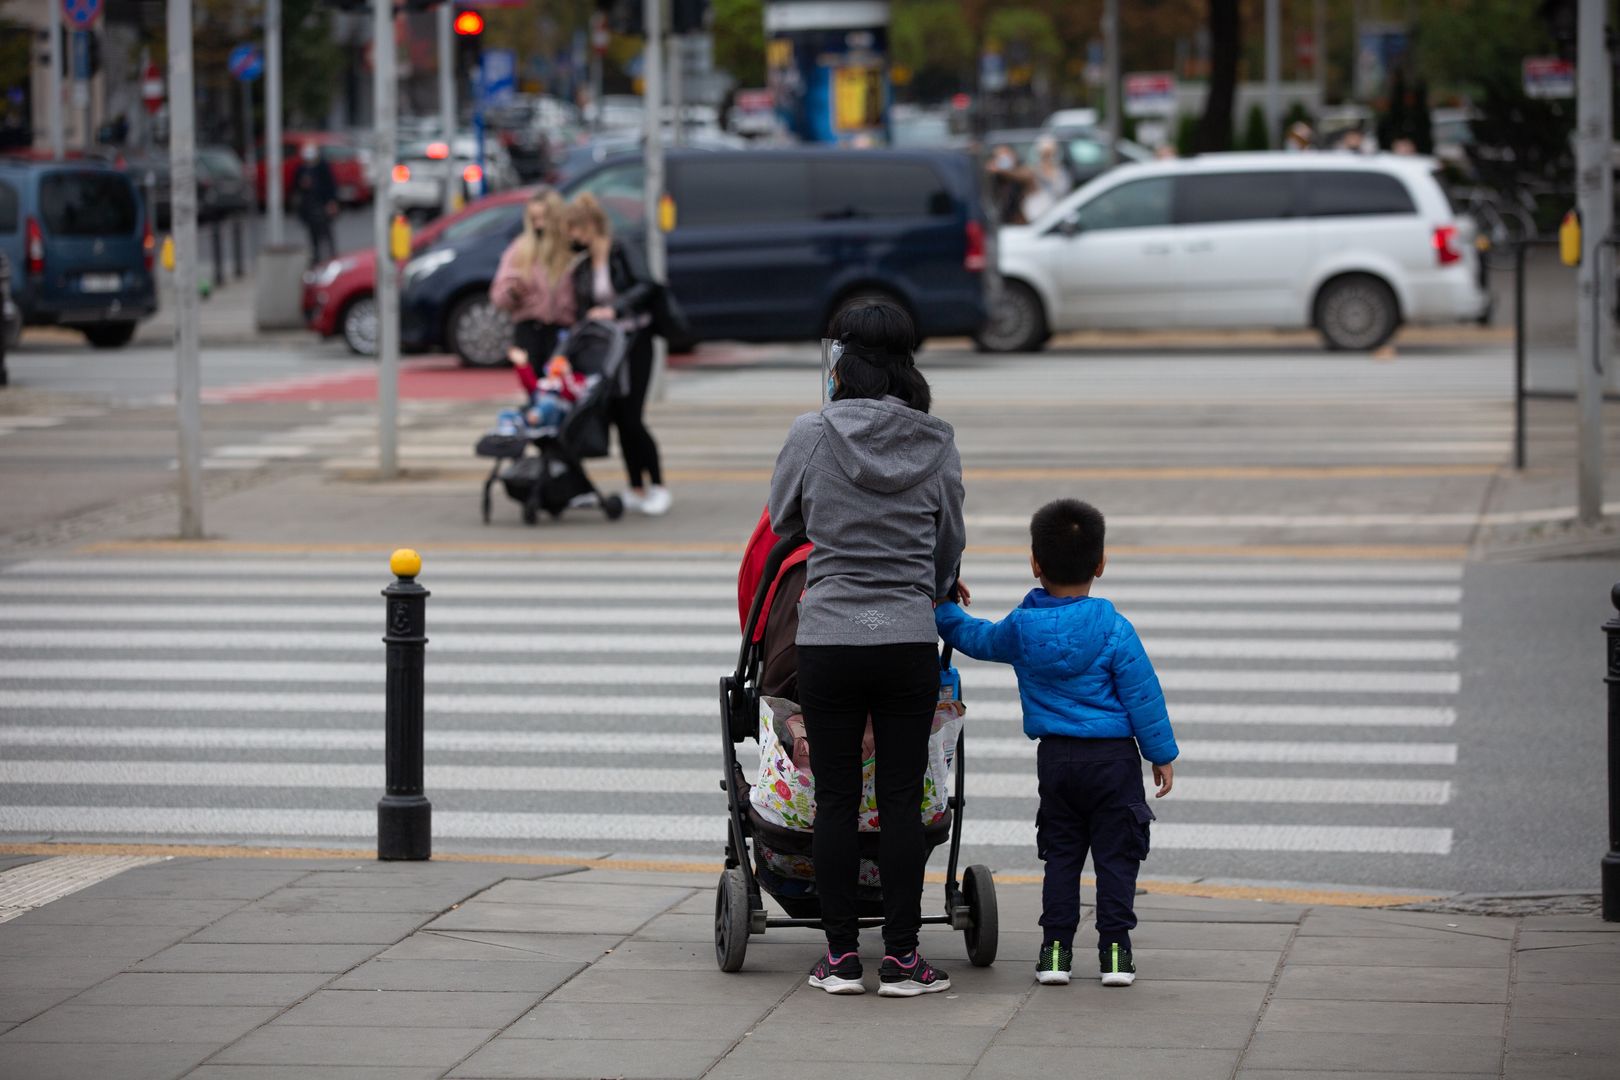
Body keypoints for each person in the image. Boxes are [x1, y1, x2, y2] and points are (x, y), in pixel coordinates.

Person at [768, 299, 966, 998]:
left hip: (829, 640)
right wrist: (929, 584)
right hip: (908, 640)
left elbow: (784, 520)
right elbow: (949, 545)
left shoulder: (811, 432)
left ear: (840, 364)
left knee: (836, 802)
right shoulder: (937, 440)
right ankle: (906, 958)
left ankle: (842, 958)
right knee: (902, 798)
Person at [934, 499, 1179, 989]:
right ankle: (1114, 953)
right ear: (1101, 563)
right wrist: (1161, 755)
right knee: (1116, 857)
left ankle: (1054, 953)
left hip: (1057, 760)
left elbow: (975, 637)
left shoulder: (1022, 628)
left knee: (1062, 854)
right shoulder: (1114, 628)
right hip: (1113, 761)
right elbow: (1143, 695)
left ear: (1035, 563)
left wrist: (940, 605)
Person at [566, 193, 670, 516]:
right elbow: (582, 307)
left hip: (635, 342)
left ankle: (657, 485)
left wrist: (614, 308)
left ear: (588, 225)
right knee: (615, 416)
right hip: (607, 349)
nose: (571, 236)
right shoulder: (582, 266)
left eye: (574, 229)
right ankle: (634, 486)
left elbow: (647, 285)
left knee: (633, 417)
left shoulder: (622, 249)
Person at [492, 189, 578, 369]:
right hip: (530, 328)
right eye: (534, 219)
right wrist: (513, 293)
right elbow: (498, 295)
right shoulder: (520, 249)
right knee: (535, 388)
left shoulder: (571, 248)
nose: (539, 225)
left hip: (564, 331)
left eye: (544, 218)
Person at [292, 143, 338, 268]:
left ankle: (332, 257)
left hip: (321, 204)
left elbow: (330, 185)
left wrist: (331, 201)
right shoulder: (301, 168)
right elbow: (295, 186)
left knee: (326, 233)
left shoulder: (323, 167)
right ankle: (316, 259)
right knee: (313, 235)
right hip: (309, 206)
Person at [1021, 136, 1074, 222]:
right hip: (1038, 219)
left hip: (1059, 217)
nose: (1048, 158)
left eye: (1051, 153)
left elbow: (1066, 193)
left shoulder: (1062, 173)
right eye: (1045, 154)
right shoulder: (1031, 172)